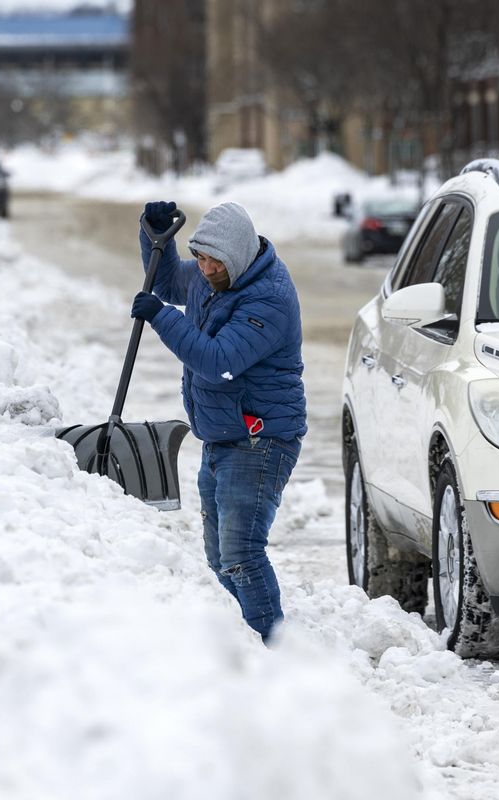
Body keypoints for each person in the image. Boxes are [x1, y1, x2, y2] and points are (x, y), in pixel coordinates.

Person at [130, 200, 307, 642]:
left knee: (242, 554)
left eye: (213, 262)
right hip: (222, 435)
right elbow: (170, 279)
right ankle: (244, 648)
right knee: (219, 559)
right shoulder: (216, 275)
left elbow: (218, 361)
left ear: (239, 257)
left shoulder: (269, 298)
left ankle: (275, 651)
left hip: (261, 440)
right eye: (200, 258)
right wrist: (153, 236)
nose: (204, 269)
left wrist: (161, 316)